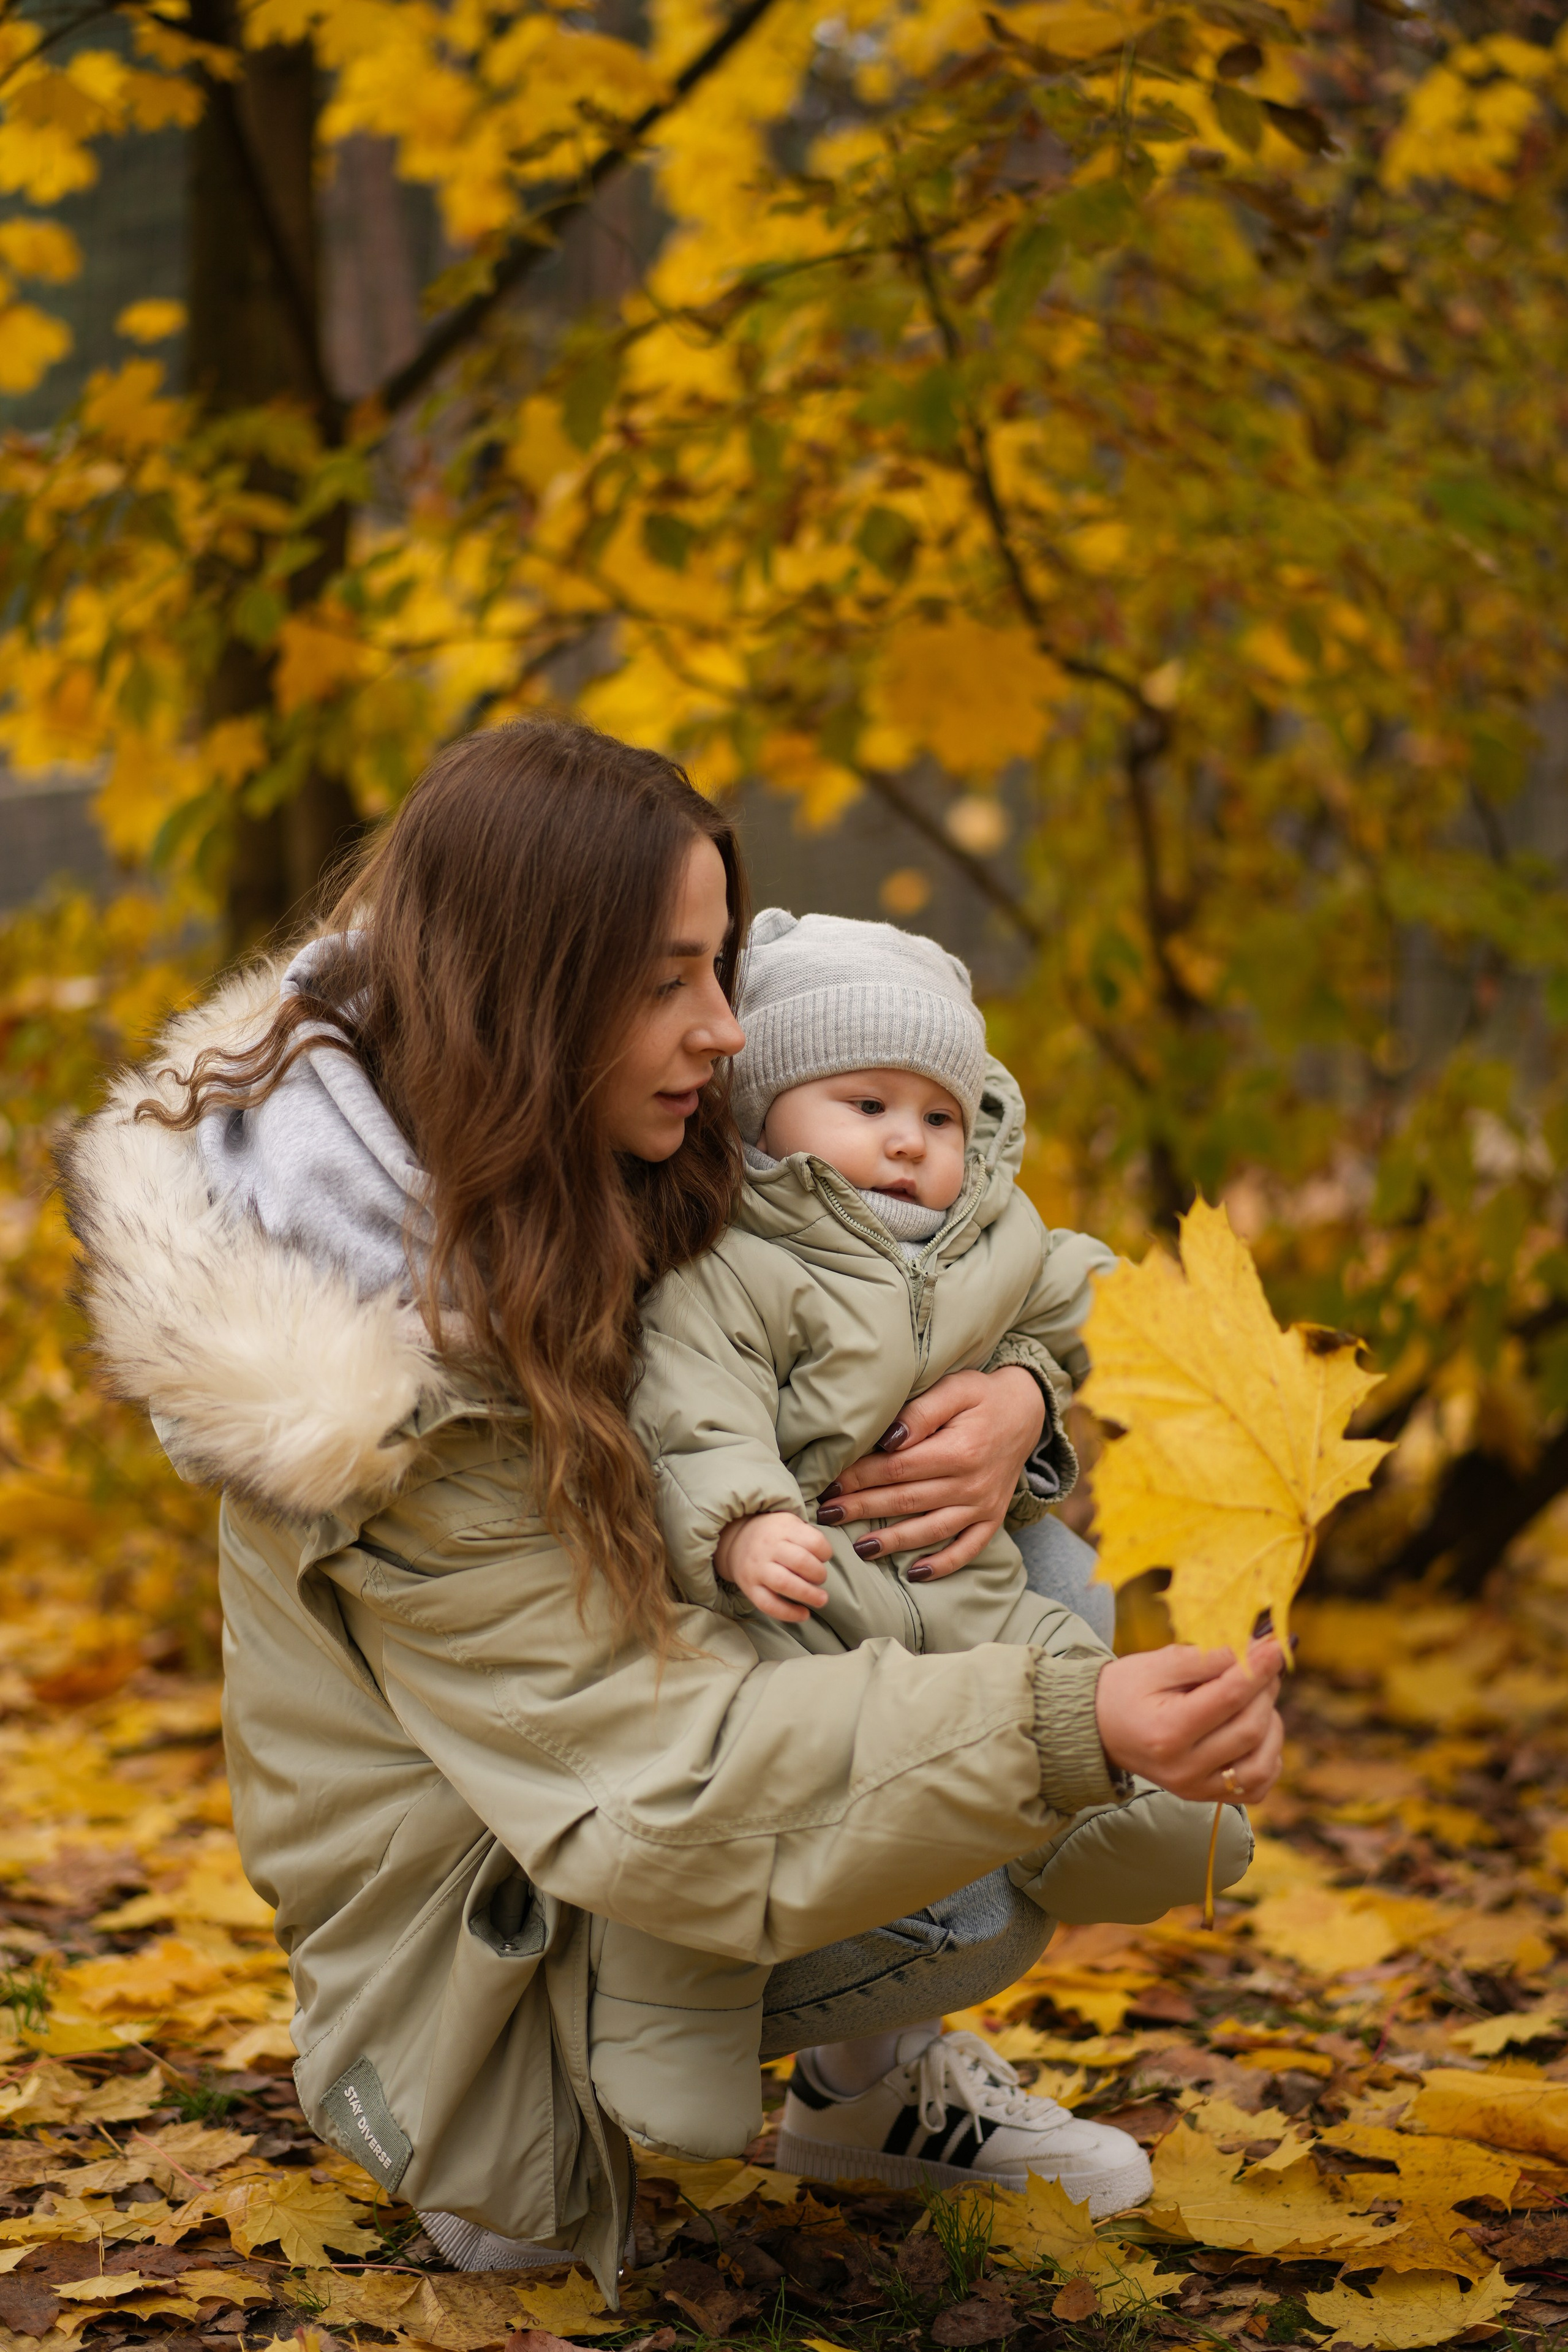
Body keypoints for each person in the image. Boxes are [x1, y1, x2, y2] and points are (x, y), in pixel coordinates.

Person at [64, 717, 1285, 2298]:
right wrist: (1079, 1723)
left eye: (720, 969)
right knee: (990, 1815)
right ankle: (513, 2113)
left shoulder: (599, 1151)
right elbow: (662, 1781)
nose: (727, 1030)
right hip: (494, 1937)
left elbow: (906, 1288)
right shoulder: (378, 1379)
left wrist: (1017, 1409)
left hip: (638, 1786)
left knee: (988, 1566)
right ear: (532, 995)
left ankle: (870, 2096)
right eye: (668, 982)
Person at [591, 908, 1254, 2185]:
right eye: (863, 1102)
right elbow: (692, 1405)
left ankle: (1091, 1809)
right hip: (799, 1598)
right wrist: (743, 1524)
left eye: (939, 1117)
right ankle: (669, 2012)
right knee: (741, 1784)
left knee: (1058, 1615)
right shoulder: (733, 1258)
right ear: (761, 1109)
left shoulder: (992, 1244)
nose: (906, 1139)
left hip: (955, 1589)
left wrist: (1029, 1391)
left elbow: (1104, 1302)